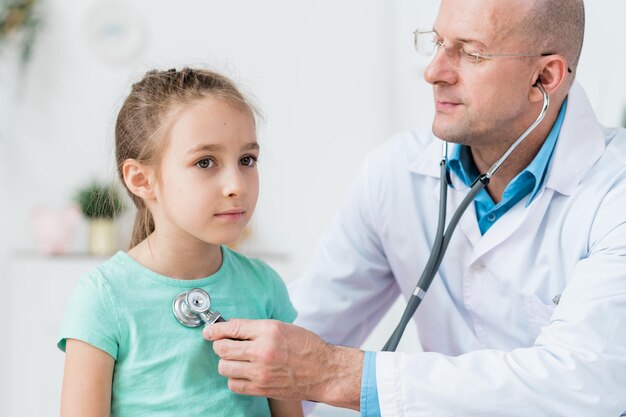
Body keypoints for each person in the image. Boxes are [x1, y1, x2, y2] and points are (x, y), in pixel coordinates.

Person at [202, 0, 626, 416]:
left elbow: (583, 383)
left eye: (471, 53)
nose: (434, 72)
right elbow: (304, 331)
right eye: (438, 42)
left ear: (544, 77)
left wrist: (335, 374)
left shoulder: (614, 193)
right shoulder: (396, 173)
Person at [58, 68, 303, 417]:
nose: (237, 184)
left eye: (247, 160)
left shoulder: (264, 287)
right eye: (205, 162)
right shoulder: (103, 297)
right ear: (141, 179)